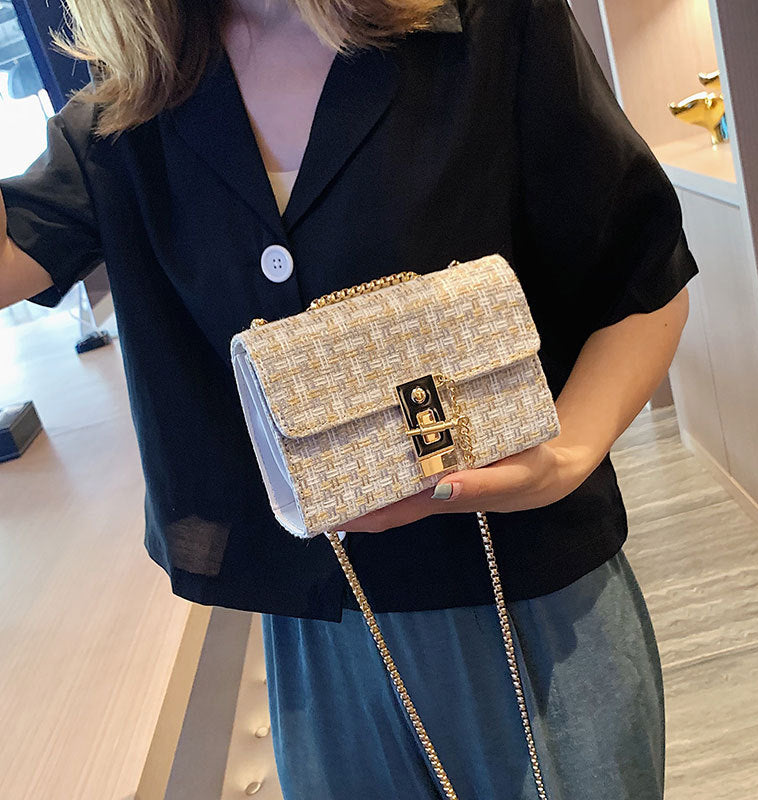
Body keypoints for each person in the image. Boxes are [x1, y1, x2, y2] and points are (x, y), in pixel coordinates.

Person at [0, 0, 698, 797]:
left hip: (529, 599)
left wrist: (565, 457)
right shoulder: (138, 96)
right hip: (321, 636)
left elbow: (642, 276)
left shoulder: (484, 24)